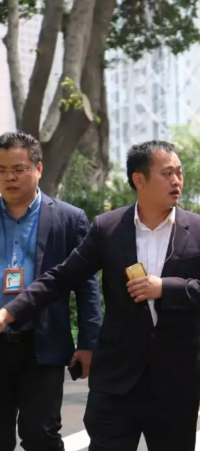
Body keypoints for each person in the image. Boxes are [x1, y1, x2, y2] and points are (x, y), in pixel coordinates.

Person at [0, 140, 200, 451]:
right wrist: (10, 312)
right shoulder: (108, 228)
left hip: (176, 381)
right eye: (167, 173)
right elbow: (62, 277)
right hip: (116, 381)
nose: (177, 181)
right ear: (139, 180)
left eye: (179, 173)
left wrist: (166, 288)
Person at [0, 132, 101, 451]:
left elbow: (86, 287)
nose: (9, 178)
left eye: (18, 169)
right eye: (1, 170)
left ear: (38, 168)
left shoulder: (69, 219)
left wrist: (88, 344)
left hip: (42, 343)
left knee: (41, 435)